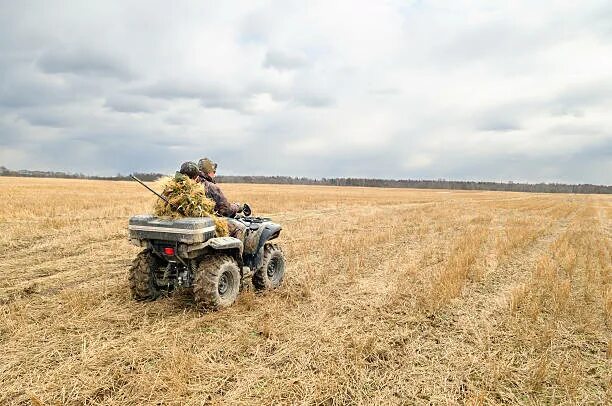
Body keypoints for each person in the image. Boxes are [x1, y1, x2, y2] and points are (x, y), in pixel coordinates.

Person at [179, 158, 248, 241]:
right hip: (207, 222)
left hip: (186, 221)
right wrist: (238, 207)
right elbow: (226, 210)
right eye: (213, 172)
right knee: (240, 228)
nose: (214, 174)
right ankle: (237, 253)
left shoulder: (181, 184)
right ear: (209, 172)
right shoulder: (210, 186)